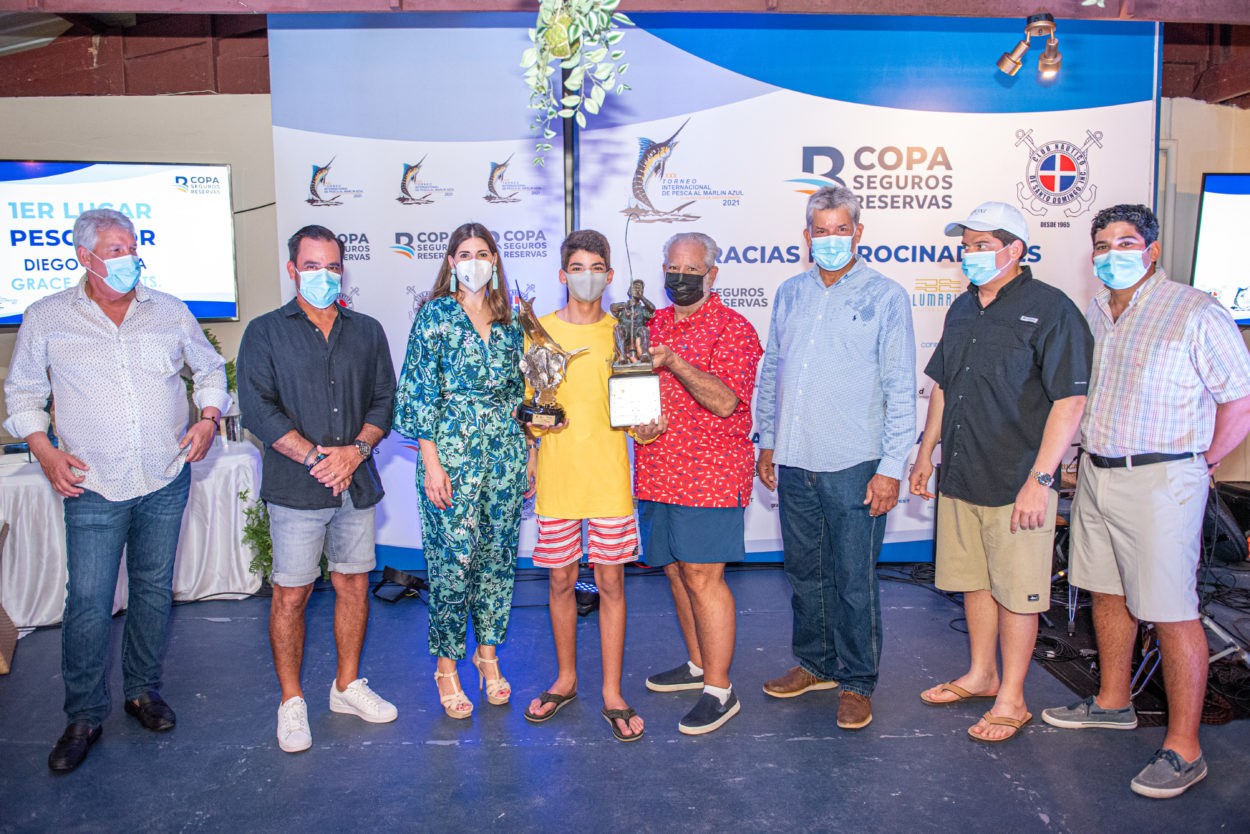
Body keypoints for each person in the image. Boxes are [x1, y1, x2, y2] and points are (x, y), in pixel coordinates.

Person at [3, 208, 228, 772]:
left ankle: (141, 691)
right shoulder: (47, 316)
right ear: (85, 257)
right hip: (92, 483)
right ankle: (83, 715)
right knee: (88, 601)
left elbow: (209, 370)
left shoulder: (168, 310)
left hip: (164, 476)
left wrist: (208, 418)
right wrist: (45, 451)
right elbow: (23, 393)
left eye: (132, 247)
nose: (129, 258)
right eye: (115, 249)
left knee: (152, 590)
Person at [1041, 204, 1250, 798]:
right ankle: (1113, 702)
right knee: (1106, 592)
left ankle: (1185, 748)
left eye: (1126, 242)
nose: (1113, 255)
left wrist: (1202, 462)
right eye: (1102, 245)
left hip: (1163, 480)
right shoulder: (1096, 312)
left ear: (1152, 250)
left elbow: (1240, 399)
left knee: (1171, 610)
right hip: (1097, 474)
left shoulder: (1195, 310)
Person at [910, 201, 1092, 743]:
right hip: (962, 473)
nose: (970, 254)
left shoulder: (1053, 309)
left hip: (1019, 481)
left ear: (1015, 249)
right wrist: (925, 453)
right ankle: (982, 674)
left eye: (982, 245)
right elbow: (943, 385)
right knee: (974, 581)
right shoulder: (963, 307)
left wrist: (1042, 479)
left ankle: (1013, 698)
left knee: (1017, 592)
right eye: (966, 245)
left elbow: (1069, 402)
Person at [756, 186, 916, 730]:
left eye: (840, 230)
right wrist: (768, 440)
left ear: (858, 233)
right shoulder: (790, 293)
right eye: (820, 231)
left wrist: (891, 468)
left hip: (856, 463)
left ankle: (857, 681)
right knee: (805, 574)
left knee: (853, 580)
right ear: (807, 236)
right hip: (795, 459)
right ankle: (816, 665)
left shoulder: (886, 296)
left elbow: (900, 387)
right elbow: (773, 370)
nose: (830, 239)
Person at [237, 224, 398, 753]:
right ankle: (291, 701)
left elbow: (384, 400)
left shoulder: (367, 331)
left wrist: (355, 451)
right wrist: (314, 457)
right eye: (311, 266)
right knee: (292, 594)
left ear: (342, 269)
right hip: (296, 487)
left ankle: (346, 687)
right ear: (292, 270)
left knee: (354, 584)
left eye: (331, 266)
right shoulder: (264, 332)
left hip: (356, 483)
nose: (322, 275)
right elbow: (257, 408)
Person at [393, 222, 532, 720]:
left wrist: (530, 455)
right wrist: (431, 463)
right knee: (452, 565)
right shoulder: (435, 315)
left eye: (483, 253)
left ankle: (487, 656)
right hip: (449, 458)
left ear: (495, 260)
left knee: (497, 560)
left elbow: (523, 396)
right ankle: (446, 667)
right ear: (452, 262)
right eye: (465, 253)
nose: (475, 261)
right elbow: (417, 394)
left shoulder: (511, 321)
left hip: (506, 455)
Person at [635, 231, 763, 735]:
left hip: (710, 473)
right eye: (674, 268)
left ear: (712, 274)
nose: (680, 277)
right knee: (675, 571)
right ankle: (696, 664)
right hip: (657, 470)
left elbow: (726, 401)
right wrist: (638, 424)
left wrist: (674, 361)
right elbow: (633, 390)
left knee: (704, 577)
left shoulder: (734, 328)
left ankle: (720, 689)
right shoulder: (651, 324)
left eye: (692, 270)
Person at [522, 230, 646, 742]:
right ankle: (566, 679)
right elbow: (529, 407)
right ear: (562, 274)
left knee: (611, 583)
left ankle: (612, 690)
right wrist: (534, 438)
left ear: (610, 275)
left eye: (596, 267)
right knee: (560, 582)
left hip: (609, 478)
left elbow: (639, 407)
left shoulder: (625, 333)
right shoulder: (539, 332)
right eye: (577, 267)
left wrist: (647, 423)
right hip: (558, 477)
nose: (587, 276)